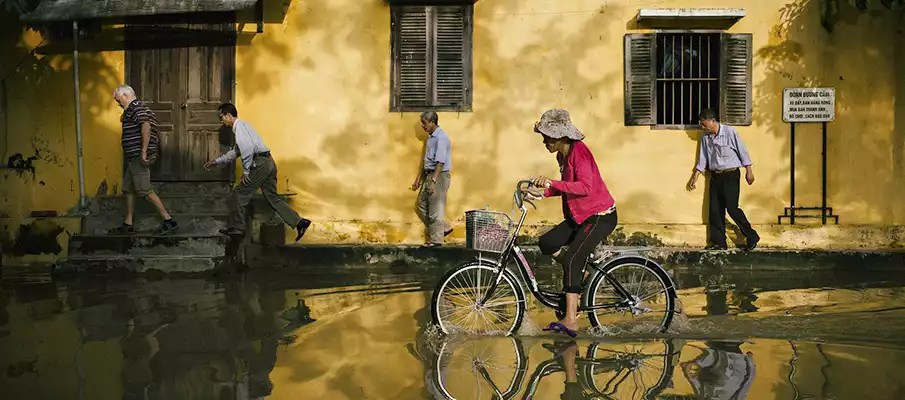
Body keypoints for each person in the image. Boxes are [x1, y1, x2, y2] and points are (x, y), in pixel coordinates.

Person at [523, 109, 618, 338]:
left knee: (574, 260)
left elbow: (584, 187)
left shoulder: (580, 153)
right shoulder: (562, 156)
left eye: (548, 137)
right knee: (547, 242)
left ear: (561, 136)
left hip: (600, 215)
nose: (544, 141)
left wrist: (552, 182)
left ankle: (571, 319)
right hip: (579, 217)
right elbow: (567, 187)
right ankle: (580, 275)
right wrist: (542, 193)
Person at [204, 103, 311, 242]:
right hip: (269, 162)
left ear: (229, 115)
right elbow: (236, 151)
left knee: (238, 194)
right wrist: (217, 161)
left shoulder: (239, 127)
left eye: (222, 117)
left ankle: (238, 228)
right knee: (272, 197)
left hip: (260, 163)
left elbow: (247, 148)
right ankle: (300, 222)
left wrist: (247, 171)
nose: (221, 120)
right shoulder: (243, 127)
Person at [109, 85, 178, 235]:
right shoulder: (136, 109)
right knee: (129, 189)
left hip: (137, 157)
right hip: (133, 158)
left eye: (118, 100)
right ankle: (128, 224)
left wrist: (143, 151)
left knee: (144, 190)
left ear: (126, 96)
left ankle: (169, 220)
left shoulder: (136, 107)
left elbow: (145, 126)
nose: (118, 103)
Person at [687, 109, 760, 251]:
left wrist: (749, 171)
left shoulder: (729, 132)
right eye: (702, 125)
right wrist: (694, 178)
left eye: (704, 124)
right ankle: (719, 243)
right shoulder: (705, 138)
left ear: (713, 121)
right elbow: (703, 159)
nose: (703, 128)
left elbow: (742, 151)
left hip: (730, 175)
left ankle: (751, 236)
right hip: (715, 175)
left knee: (732, 208)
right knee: (715, 209)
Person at [410, 111, 453, 247]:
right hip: (429, 174)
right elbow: (426, 161)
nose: (423, 126)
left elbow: (440, 161)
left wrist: (433, 181)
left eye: (424, 123)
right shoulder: (430, 138)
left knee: (436, 210)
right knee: (421, 205)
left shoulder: (441, 138)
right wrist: (419, 179)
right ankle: (443, 228)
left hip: (438, 175)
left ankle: (436, 241)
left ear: (433, 122)